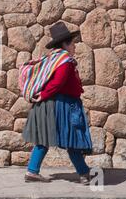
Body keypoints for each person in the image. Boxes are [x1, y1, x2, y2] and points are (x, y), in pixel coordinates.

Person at [19, 22, 93, 185]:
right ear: (65, 44)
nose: (74, 46)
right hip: (61, 105)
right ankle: (84, 174)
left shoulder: (54, 58)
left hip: (53, 104)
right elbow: (57, 83)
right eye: (72, 43)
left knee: (45, 139)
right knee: (72, 139)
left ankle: (33, 171)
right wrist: (43, 94)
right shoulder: (64, 62)